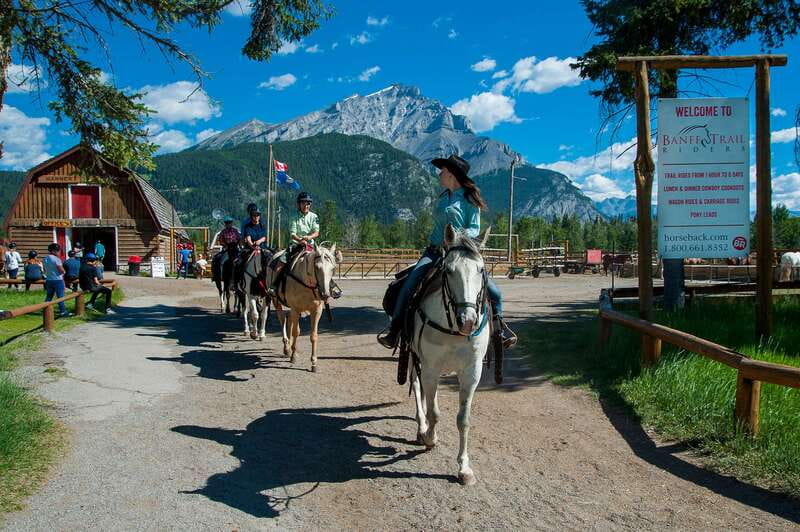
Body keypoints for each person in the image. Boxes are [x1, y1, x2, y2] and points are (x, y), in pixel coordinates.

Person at [377, 154, 517, 349]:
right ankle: (395, 330)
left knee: (494, 292)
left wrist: (454, 236)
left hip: (460, 253)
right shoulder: (443, 197)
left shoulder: (470, 200)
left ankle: (499, 332)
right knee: (409, 284)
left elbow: (475, 229)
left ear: (451, 174)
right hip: (434, 251)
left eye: (442, 171)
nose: (439, 174)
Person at [267, 192, 318, 296]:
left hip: (310, 244)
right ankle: (274, 285)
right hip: (296, 244)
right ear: (299, 204)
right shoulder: (294, 216)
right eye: (303, 203)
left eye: (308, 203)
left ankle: (328, 286)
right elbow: (292, 234)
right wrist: (300, 240)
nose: (306, 205)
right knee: (281, 262)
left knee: (323, 262)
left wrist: (309, 237)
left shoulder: (314, 216)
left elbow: (316, 232)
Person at [43, 243, 71, 317]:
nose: (59, 252)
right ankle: (63, 311)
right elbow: (61, 270)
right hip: (58, 280)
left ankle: (45, 310)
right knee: (60, 297)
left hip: (49, 279)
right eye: (58, 250)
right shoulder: (56, 259)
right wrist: (64, 271)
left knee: (49, 297)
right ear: (54, 251)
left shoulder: (45, 258)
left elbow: (45, 269)